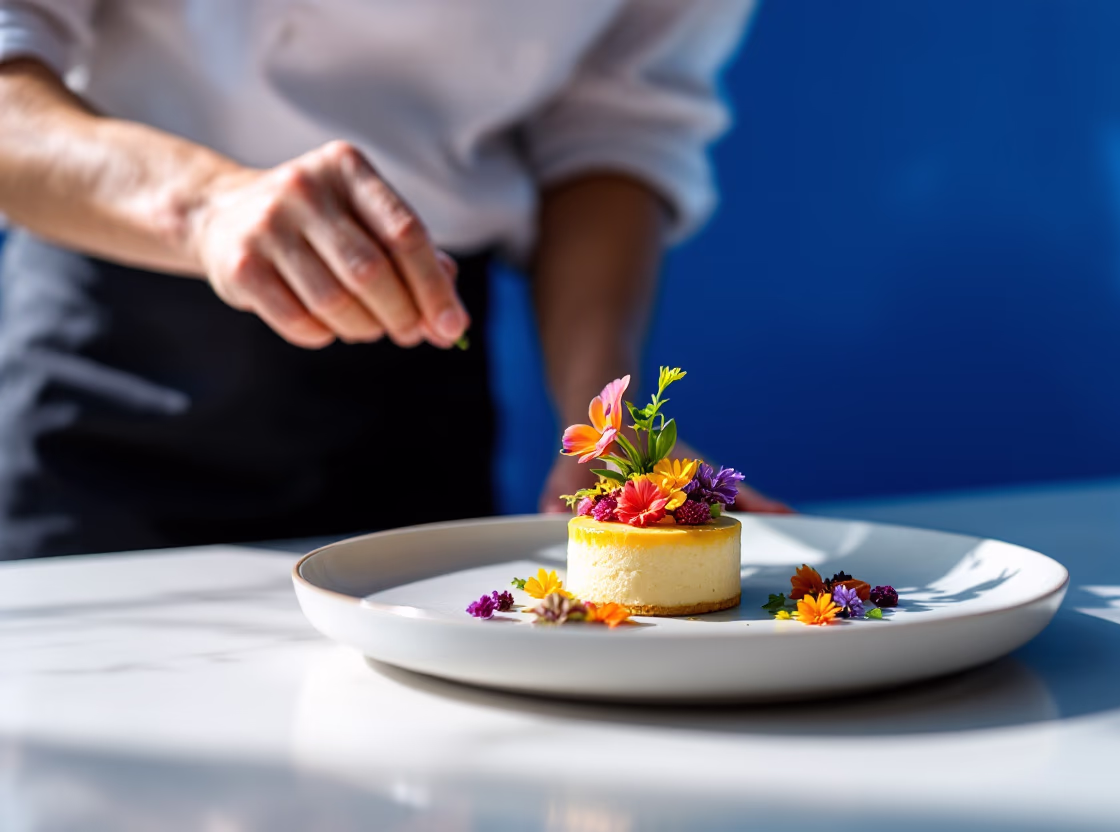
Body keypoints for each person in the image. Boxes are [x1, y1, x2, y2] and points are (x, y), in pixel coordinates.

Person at [0, 0, 788, 560]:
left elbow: (613, 127)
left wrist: (601, 415)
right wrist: (207, 206)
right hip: (111, 363)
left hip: (414, 391)